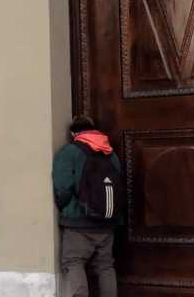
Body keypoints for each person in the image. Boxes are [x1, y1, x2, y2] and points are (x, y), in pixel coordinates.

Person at [52, 116, 121, 297]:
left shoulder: (68, 152)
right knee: (105, 266)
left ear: (74, 133)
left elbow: (63, 187)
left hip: (78, 222)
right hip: (107, 222)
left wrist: (63, 207)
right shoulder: (110, 152)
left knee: (74, 262)